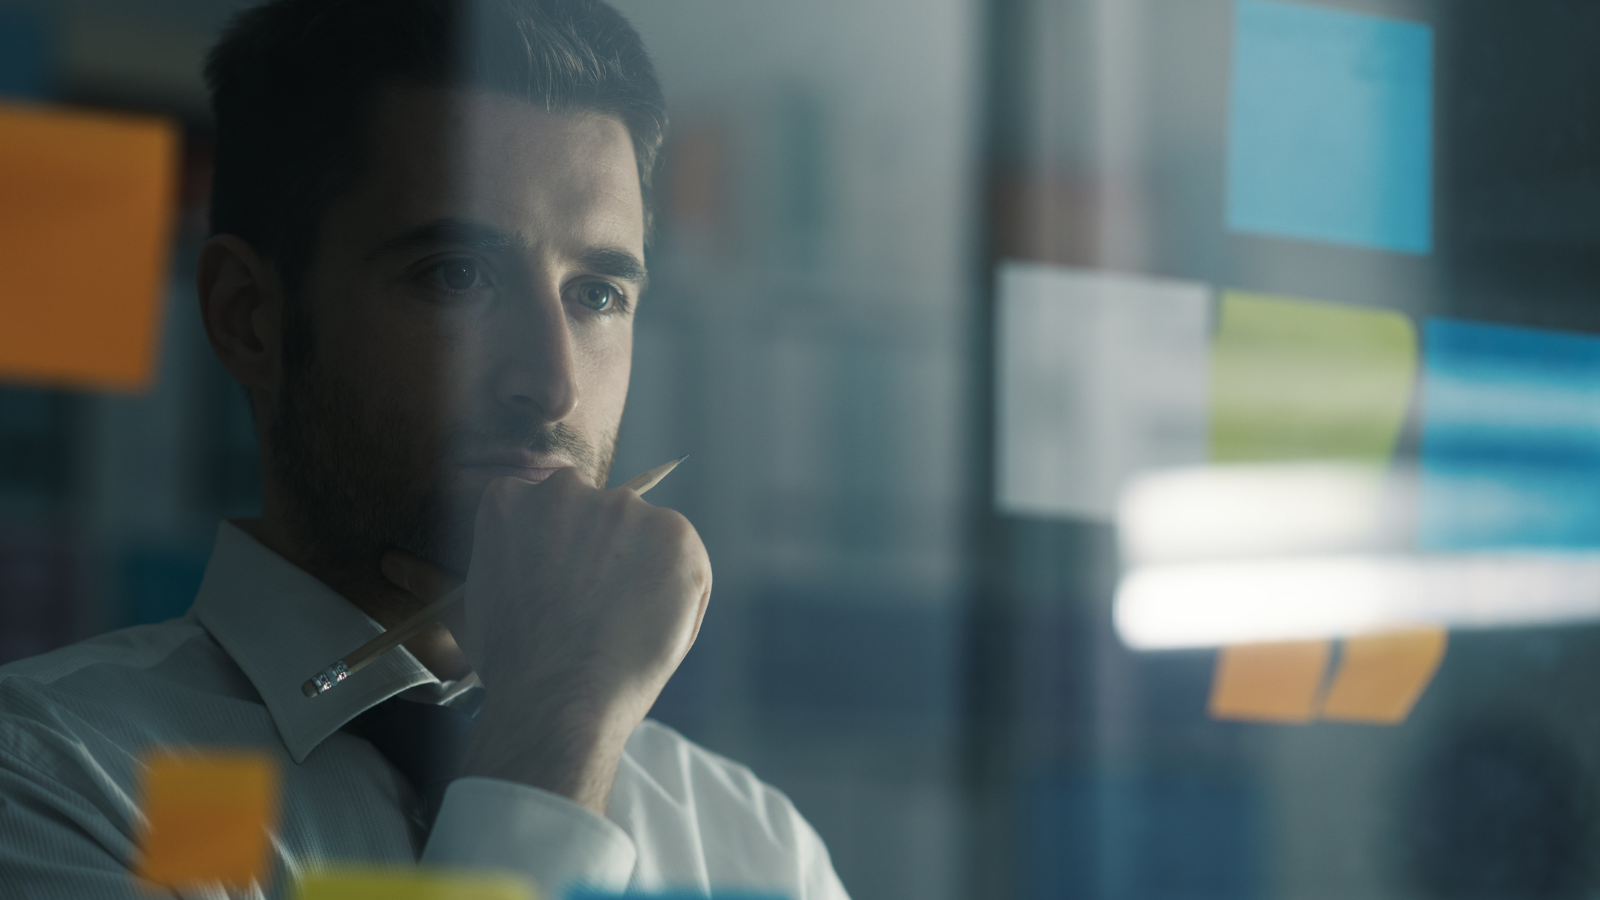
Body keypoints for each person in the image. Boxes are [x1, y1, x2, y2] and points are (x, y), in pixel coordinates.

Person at [0, 1, 850, 897]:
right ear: (248, 316)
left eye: (597, 294)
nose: (552, 385)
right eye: (456, 275)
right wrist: (550, 740)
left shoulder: (756, 847)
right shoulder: (54, 781)